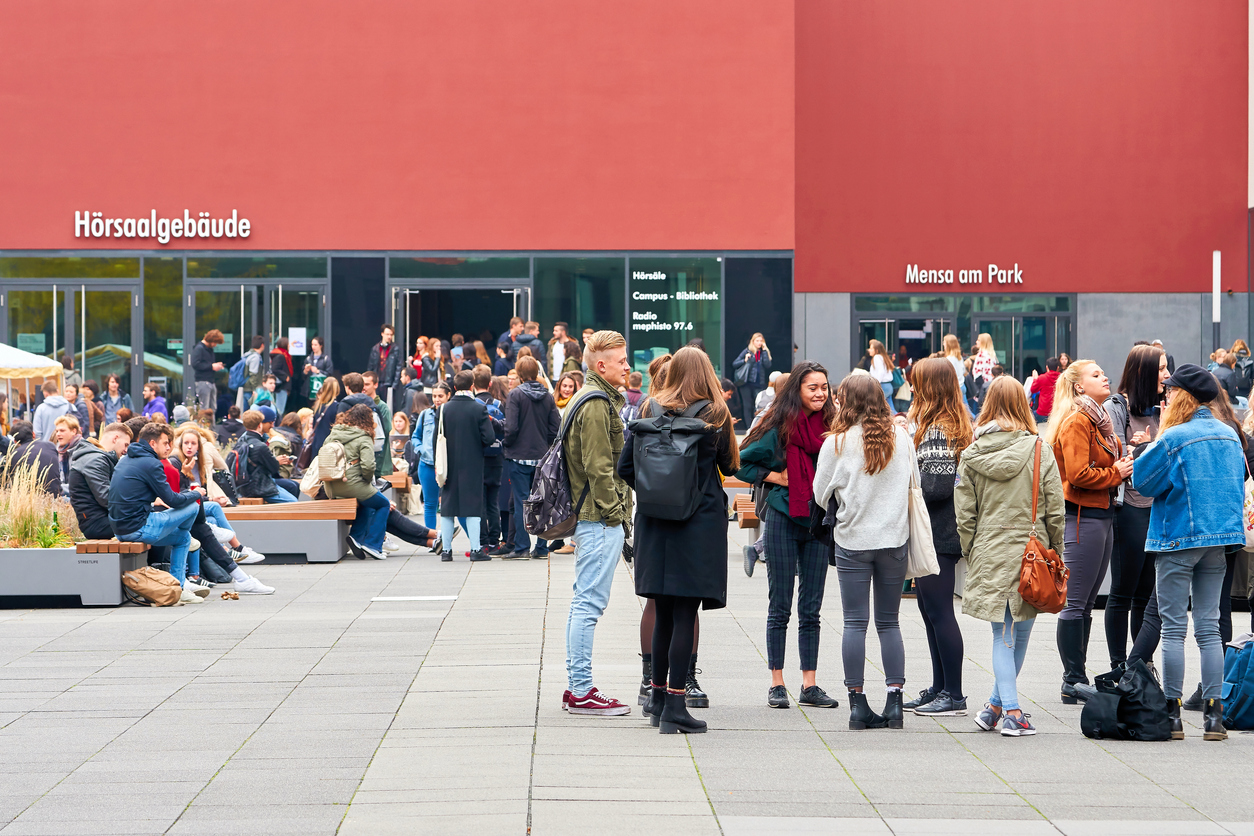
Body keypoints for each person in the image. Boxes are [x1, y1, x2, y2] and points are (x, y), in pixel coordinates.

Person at [618, 346, 737, 734]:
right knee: (685, 612)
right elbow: (729, 465)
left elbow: (625, 468)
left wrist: (657, 492)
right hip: (697, 523)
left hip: (654, 522)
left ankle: (655, 698)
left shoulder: (648, 408)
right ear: (707, 373)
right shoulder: (715, 413)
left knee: (662, 609)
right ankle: (674, 706)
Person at [1133, 364, 1242, 741]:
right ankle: (1214, 717)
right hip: (1217, 542)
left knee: (1175, 630)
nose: (1165, 398)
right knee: (1209, 629)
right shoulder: (1229, 435)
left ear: (1181, 396)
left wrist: (1154, 441)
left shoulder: (1174, 436)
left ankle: (1173, 715)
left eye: (1169, 393)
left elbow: (1143, 482)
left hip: (1178, 539)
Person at [955, 376, 1065, 738]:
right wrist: (1057, 551)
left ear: (987, 404)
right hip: (1032, 555)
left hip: (990, 549)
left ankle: (996, 706)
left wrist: (972, 549)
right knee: (1019, 634)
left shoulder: (971, 454)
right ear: (1023, 403)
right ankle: (1013, 713)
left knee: (1002, 635)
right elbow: (1054, 509)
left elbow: (964, 514)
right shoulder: (1038, 448)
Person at [813, 372, 917, 729]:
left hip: (853, 540)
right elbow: (912, 483)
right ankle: (895, 701)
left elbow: (819, 493)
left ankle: (857, 703)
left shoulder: (836, 443)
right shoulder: (902, 438)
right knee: (889, 622)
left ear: (846, 401)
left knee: (854, 622)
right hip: (893, 539)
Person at [737, 361, 838, 710]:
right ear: (797, 389)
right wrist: (776, 477)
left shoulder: (832, 427)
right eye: (813, 387)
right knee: (780, 605)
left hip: (817, 522)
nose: (820, 393)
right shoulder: (779, 426)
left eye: (824, 387)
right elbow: (741, 462)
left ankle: (809, 684)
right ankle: (777, 682)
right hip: (783, 516)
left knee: (811, 609)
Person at [1044, 359, 1130, 704]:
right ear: (1079, 386)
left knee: (1086, 601)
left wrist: (1122, 458)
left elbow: (1103, 462)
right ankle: (1072, 679)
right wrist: (1117, 473)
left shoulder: (1097, 420)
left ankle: (1076, 677)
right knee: (1077, 602)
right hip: (1082, 516)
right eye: (1096, 375)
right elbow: (1078, 474)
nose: (1105, 376)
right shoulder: (1078, 421)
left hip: (1100, 514)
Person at [559, 330, 632, 716]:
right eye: (622, 360)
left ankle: (577, 687)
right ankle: (582, 689)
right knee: (588, 605)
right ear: (601, 365)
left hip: (594, 518)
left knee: (582, 604)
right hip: (598, 519)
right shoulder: (595, 403)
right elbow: (600, 469)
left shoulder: (591, 398)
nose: (628, 366)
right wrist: (615, 514)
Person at [902, 358, 972, 717]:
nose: (912, 388)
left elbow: (937, 485)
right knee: (930, 610)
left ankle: (954, 694)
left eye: (917, 383)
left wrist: (903, 483)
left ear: (930, 387)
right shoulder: (946, 423)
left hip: (938, 531)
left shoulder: (936, 429)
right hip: (943, 530)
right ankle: (940, 687)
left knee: (940, 611)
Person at [1102, 344, 1167, 668]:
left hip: (1158, 509)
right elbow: (1113, 457)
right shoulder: (1116, 408)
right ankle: (1118, 666)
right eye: (1162, 368)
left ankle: (1140, 665)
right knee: (1123, 593)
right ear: (1143, 373)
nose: (1167, 375)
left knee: (1146, 595)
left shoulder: (1160, 409)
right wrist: (1137, 447)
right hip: (1129, 507)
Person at [109, 421, 206, 605]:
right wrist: (196, 493)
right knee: (193, 506)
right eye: (165, 443)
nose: (169, 446)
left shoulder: (127, 459)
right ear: (152, 444)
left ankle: (179, 588)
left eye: (170, 442)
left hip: (120, 529)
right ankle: (182, 583)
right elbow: (173, 500)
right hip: (139, 528)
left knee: (182, 539)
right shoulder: (152, 463)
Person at [501, 357, 559, 559]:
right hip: (542, 457)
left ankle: (522, 547)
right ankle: (542, 547)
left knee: (521, 502)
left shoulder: (515, 395)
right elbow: (555, 428)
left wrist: (506, 444)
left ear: (518, 372)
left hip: (519, 456)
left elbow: (511, 428)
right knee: (543, 502)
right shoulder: (548, 396)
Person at [435, 371, 495, 562]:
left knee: (447, 506)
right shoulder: (479, 409)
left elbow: (437, 437)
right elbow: (489, 438)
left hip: (448, 463)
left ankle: (446, 550)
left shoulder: (443, 410)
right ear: (472, 386)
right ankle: (476, 549)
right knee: (473, 506)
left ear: (453, 388)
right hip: (473, 463)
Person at [322, 404, 391, 560]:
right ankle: (373, 544)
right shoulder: (363, 436)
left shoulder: (334, 433)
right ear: (367, 420)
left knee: (367, 503)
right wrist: (366, 481)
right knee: (383, 504)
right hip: (352, 484)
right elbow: (368, 466)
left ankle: (356, 537)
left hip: (331, 485)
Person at [69, 422, 131, 539]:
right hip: (98, 524)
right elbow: (106, 497)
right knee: (151, 525)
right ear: (115, 438)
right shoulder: (95, 460)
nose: (126, 450)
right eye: (126, 444)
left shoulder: (99, 458)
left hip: (101, 521)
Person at [471, 365, 506, 553]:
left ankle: (483, 541)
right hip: (497, 457)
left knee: (481, 502)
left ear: (473, 385)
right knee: (494, 502)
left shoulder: (473, 406)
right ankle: (495, 540)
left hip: (479, 458)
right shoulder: (499, 405)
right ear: (490, 384)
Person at [234, 408, 298, 503]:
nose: (272, 425)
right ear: (260, 425)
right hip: (260, 486)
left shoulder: (241, 441)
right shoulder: (260, 446)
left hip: (244, 485)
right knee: (293, 502)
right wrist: (277, 462)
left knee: (292, 486)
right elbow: (273, 468)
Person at [412, 382, 450, 530]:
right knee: (430, 503)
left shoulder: (451, 414)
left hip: (447, 464)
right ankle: (432, 537)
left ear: (448, 396)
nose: (437, 399)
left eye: (440, 396)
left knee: (449, 503)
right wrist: (421, 449)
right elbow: (415, 437)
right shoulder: (425, 414)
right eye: (434, 396)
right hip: (426, 463)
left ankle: (448, 537)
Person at [6, 420, 62, 495]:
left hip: (30, 500)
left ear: (15, 441)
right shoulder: (50, 446)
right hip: (56, 497)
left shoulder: (14, 454)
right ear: (33, 434)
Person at [732, 333, 773, 428]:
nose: (759, 343)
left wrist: (765, 351)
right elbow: (735, 364)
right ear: (753, 341)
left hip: (759, 383)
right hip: (746, 383)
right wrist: (745, 360)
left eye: (761, 341)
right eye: (757, 341)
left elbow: (768, 365)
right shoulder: (747, 351)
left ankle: (758, 426)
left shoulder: (763, 352)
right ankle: (749, 427)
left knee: (759, 405)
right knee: (747, 405)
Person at [361, 371, 394, 477]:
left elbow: (386, 430)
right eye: (362, 384)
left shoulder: (382, 407)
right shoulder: (359, 405)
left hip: (379, 460)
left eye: (367, 384)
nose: (364, 387)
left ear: (375, 385)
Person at [368, 324, 403, 408]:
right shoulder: (375, 349)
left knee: (389, 406)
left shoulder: (395, 348)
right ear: (382, 334)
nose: (389, 337)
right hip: (377, 381)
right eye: (387, 334)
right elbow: (371, 366)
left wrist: (395, 384)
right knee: (376, 404)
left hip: (389, 383)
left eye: (391, 335)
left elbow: (399, 367)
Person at [190, 329, 226, 411]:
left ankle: (211, 423)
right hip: (203, 381)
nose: (215, 345)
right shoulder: (199, 349)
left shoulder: (209, 349)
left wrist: (216, 365)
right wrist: (212, 366)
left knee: (213, 407)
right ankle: (204, 423)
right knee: (204, 408)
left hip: (210, 381)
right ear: (211, 340)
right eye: (215, 343)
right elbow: (195, 364)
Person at [54, 415, 89, 496]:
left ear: (73, 431)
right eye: (57, 431)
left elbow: (78, 486)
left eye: (62, 431)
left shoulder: (82, 450)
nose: (58, 434)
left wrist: (57, 488)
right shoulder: (60, 450)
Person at [866, 339, 896, 415]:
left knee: (877, 408)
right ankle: (898, 420)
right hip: (888, 386)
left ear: (876, 350)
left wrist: (876, 384)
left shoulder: (877, 358)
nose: (869, 350)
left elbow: (880, 372)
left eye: (871, 348)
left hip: (882, 385)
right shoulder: (883, 357)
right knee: (890, 409)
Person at [1029, 357, 1061, 423]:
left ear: (1047, 367)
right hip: (1057, 412)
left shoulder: (1042, 378)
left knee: (1030, 419)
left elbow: (1032, 390)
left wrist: (1035, 379)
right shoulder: (1062, 378)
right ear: (1058, 368)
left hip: (1042, 412)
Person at [239, 336, 267, 409]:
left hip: (246, 387)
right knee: (251, 411)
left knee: (245, 412)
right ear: (262, 345)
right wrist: (255, 389)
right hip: (251, 390)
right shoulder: (255, 357)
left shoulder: (247, 355)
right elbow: (253, 375)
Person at [270, 337, 294, 416]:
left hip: (282, 386)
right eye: (288, 344)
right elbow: (275, 369)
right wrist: (285, 376)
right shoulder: (281, 356)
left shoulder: (283, 355)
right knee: (280, 409)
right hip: (281, 386)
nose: (289, 346)